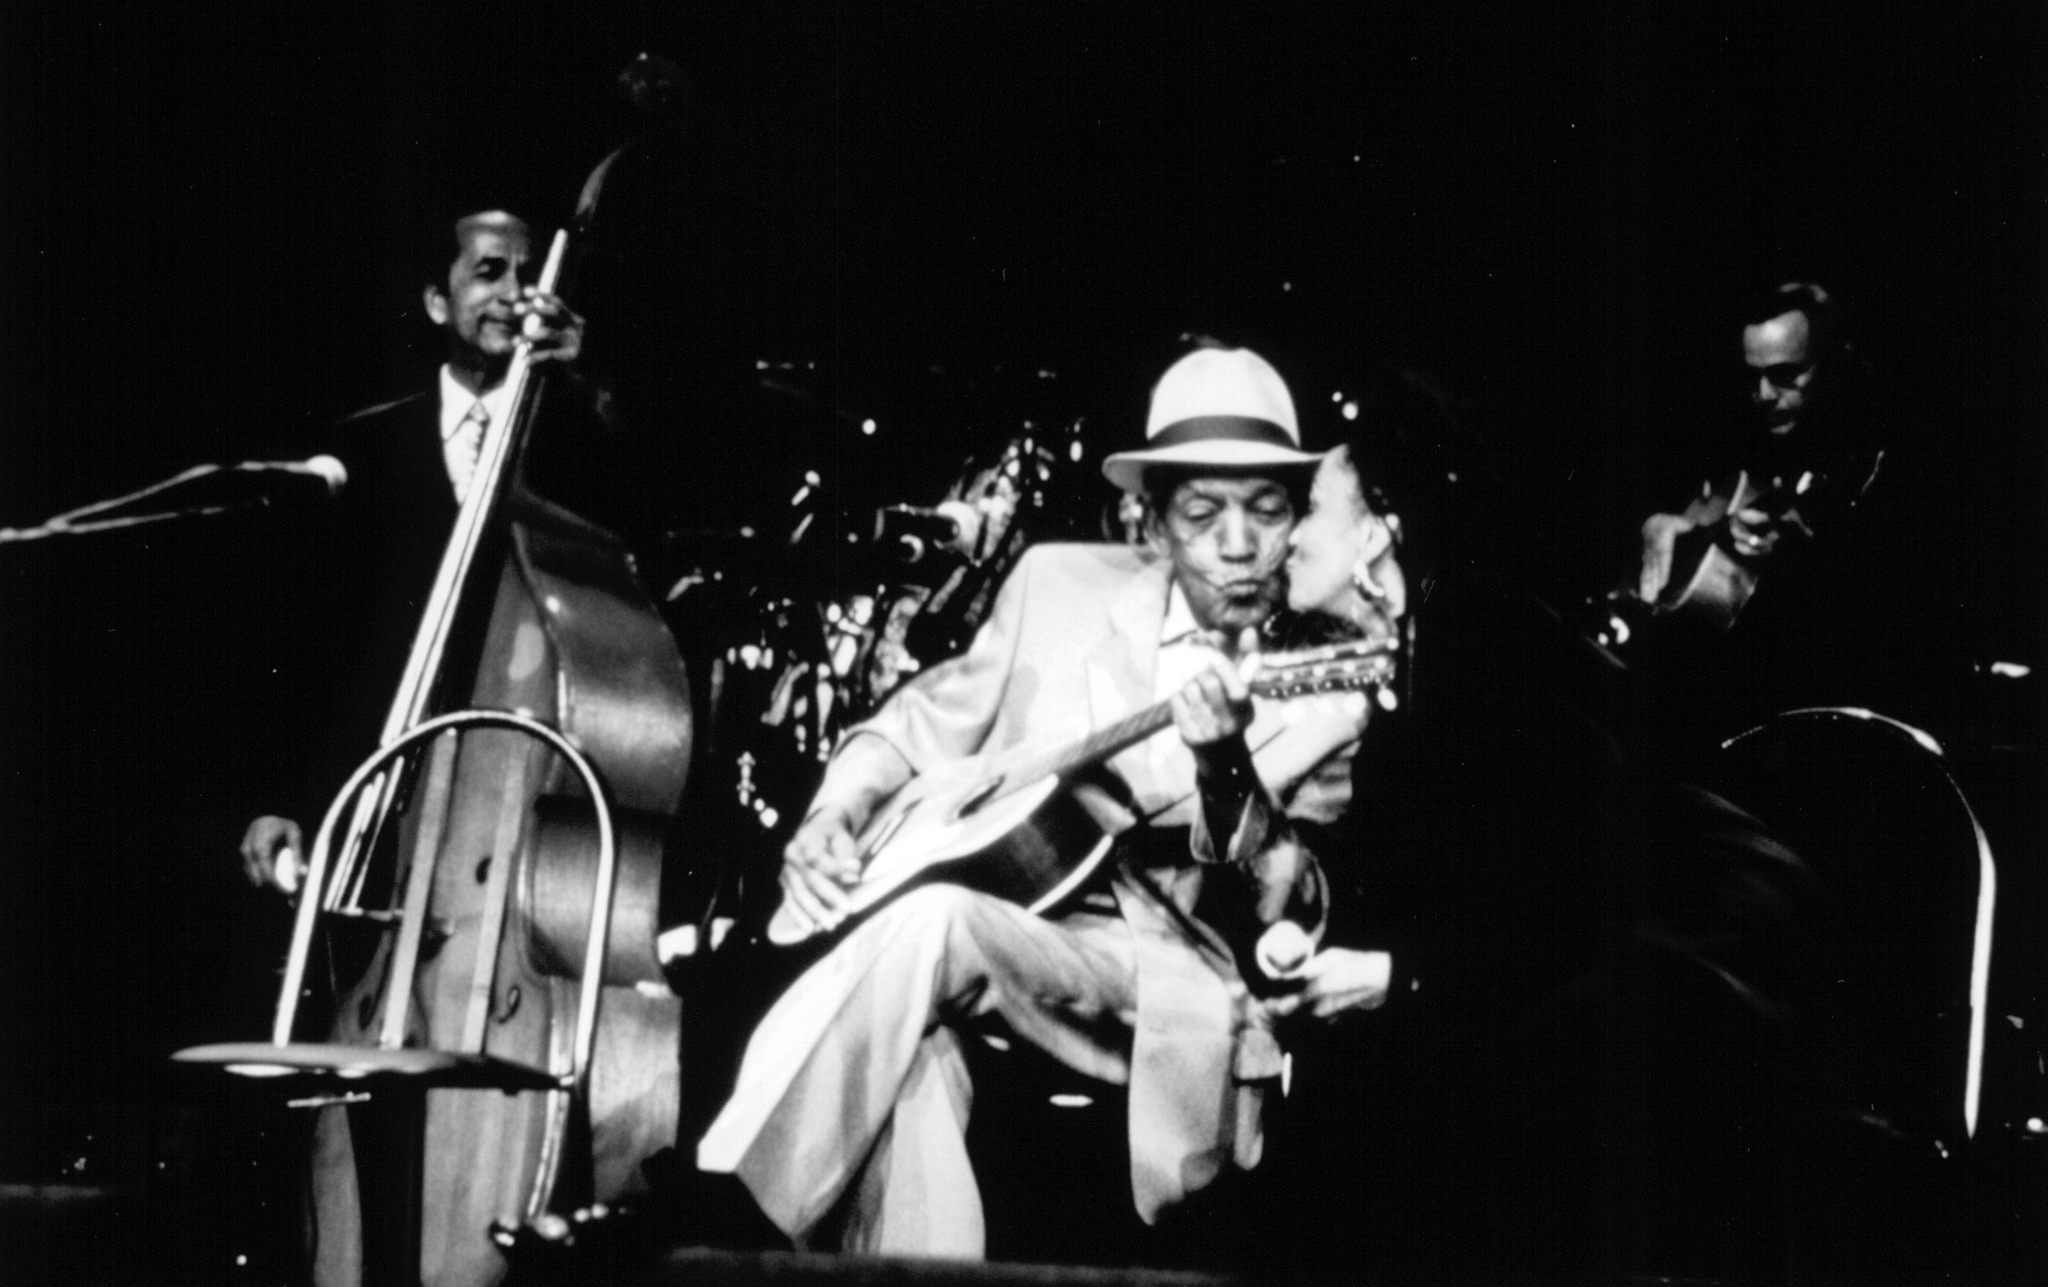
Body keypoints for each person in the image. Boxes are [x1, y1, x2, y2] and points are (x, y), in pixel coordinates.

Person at [694, 345, 1388, 1260]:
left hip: (1169, 980)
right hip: (999, 937)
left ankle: (712, 1214)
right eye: (1203, 511)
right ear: (1154, 516)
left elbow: (1277, 907)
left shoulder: (1326, 689)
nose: (1235, 542)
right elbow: (913, 726)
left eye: (1264, 509)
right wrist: (832, 815)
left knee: (935, 921)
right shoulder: (1056, 584)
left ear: (1296, 517)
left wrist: (1223, 765)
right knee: (917, 1071)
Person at [237, 208, 586, 891]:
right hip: (369, 796)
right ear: (436, 300)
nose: (516, 293)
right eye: (490, 272)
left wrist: (588, 384)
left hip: (509, 817)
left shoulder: (574, 448)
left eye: (528, 272)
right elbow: (300, 641)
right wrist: (275, 792)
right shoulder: (363, 449)